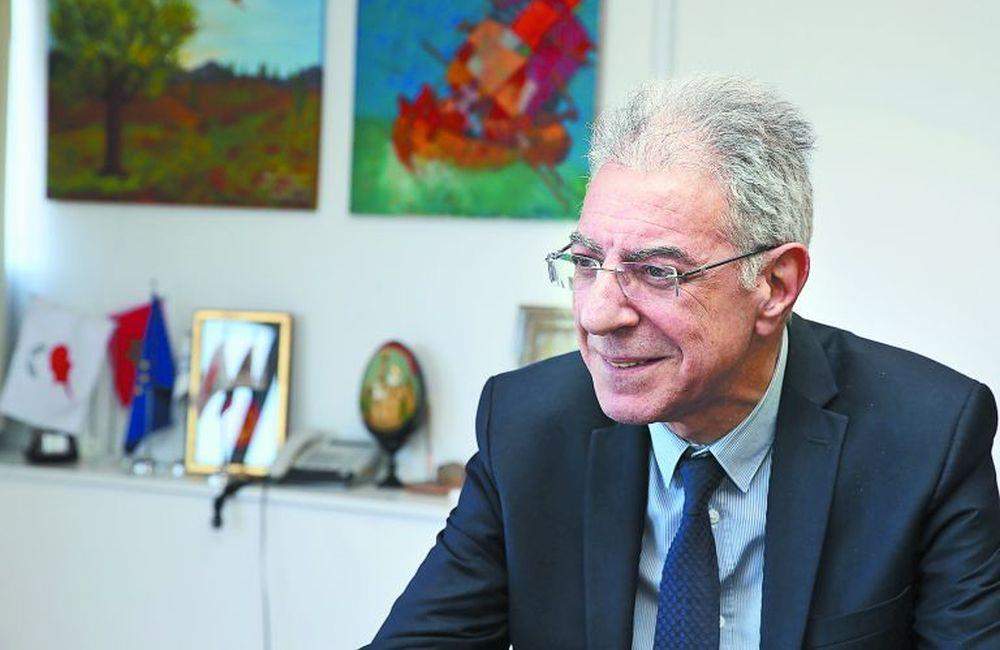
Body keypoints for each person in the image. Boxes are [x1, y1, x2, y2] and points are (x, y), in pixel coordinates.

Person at [369, 74, 999, 649]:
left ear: (775, 285)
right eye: (586, 262)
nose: (598, 315)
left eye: (656, 272)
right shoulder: (527, 427)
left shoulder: (927, 437)